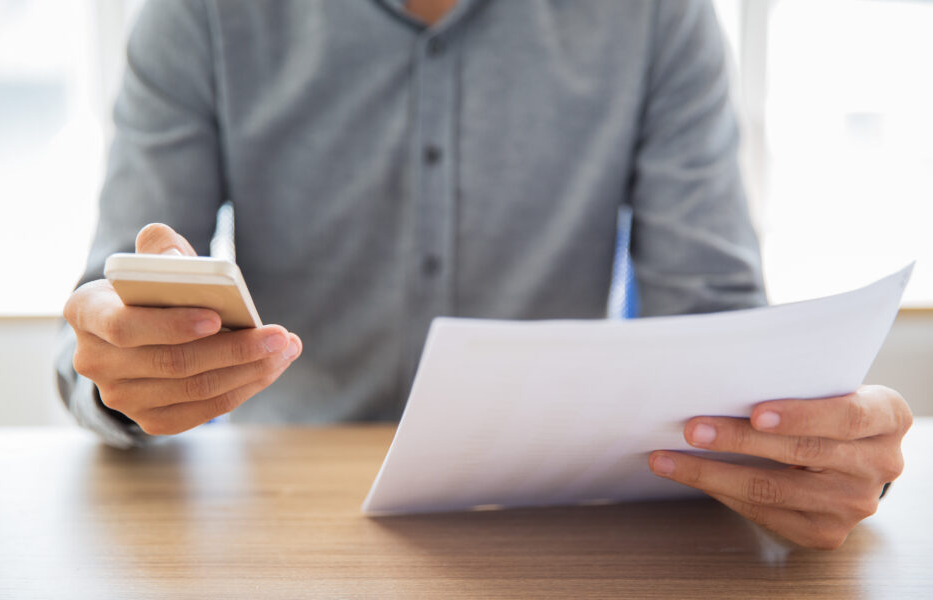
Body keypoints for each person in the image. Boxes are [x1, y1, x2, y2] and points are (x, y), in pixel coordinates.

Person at [56, 0, 911, 550]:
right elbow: (103, 310)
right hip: (282, 519)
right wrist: (121, 374)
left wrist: (799, 445)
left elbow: (716, 322)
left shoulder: (658, 15)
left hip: (553, 530)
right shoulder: (196, 14)